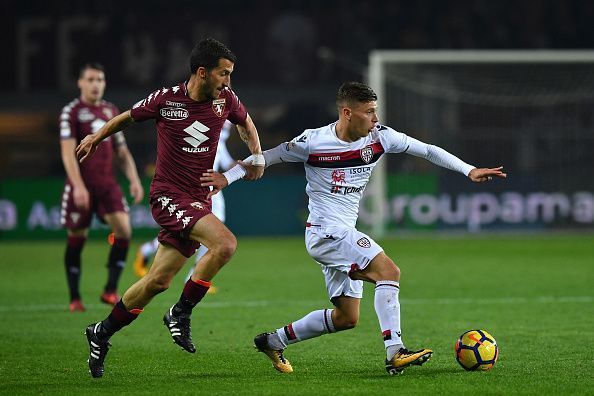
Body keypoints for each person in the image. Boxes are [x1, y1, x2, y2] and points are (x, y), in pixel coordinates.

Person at [203, 81, 507, 375]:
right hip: (326, 231)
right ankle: (395, 352)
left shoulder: (381, 137)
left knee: (346, 317)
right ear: (347, 112)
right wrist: (226, 178)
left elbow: (426, 150)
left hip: (341, 232)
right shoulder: (313, 141)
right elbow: (264, 158)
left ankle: (273, 341)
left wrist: (469, 170)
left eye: (375, 111)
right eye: (369, 111)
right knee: (389, 271)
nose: (375, 118)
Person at [76, 38, 265, 378]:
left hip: (198, 198)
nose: (228, 81)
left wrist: (258, 155)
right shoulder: (166, 100)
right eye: (224, 74)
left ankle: (100, 333)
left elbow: (246, 123)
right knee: (225, 244)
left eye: (231, 74)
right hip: (168, 195)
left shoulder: (226, 100)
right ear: (202, 72)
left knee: (156, 282)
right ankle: (181, 312)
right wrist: (95, 137)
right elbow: (125, 119)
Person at [59, 63, 144, 312]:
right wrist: (78, 186)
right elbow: (67, 153)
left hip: (107, 184)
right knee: (77, 237)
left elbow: (122, 150)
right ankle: (74, 297)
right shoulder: (71, 112)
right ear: (80, 83)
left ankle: (110, 290)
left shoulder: (110, 110)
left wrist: (135, 180)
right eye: (91, 79)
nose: (96, 84)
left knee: (124, 231)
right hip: (82, 184)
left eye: (100, 79)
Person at [133, 120, 235, 291]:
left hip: (212, 190)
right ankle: (192, 275)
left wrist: (244, 166)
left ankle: (192, 273)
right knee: (193, 233)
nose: (229, 126)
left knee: (206, 232)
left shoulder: (219, 141)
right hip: (194, 189)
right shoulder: (205, 133)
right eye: (228, 122)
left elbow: (226, 163)